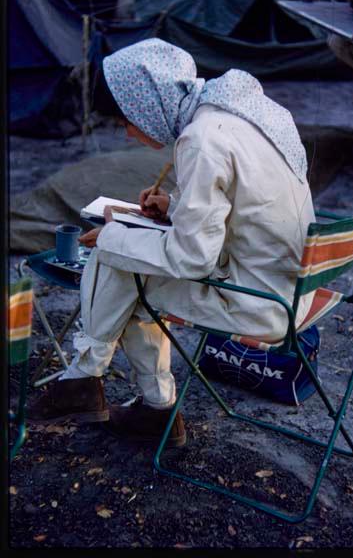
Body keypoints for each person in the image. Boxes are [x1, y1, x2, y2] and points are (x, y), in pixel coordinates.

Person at [27, 38, 316, 446]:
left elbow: (193, 258)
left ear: (145, 104)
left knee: (118, 261)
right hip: (292, 285)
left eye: (126, 120)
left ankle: (94, 384)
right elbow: (247, 203)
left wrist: (112, 238)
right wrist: (174, 208)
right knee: (124, 259)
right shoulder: (239, 111)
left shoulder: (202, 139)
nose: (128, 133)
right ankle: (122, 397)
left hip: (262, 303)